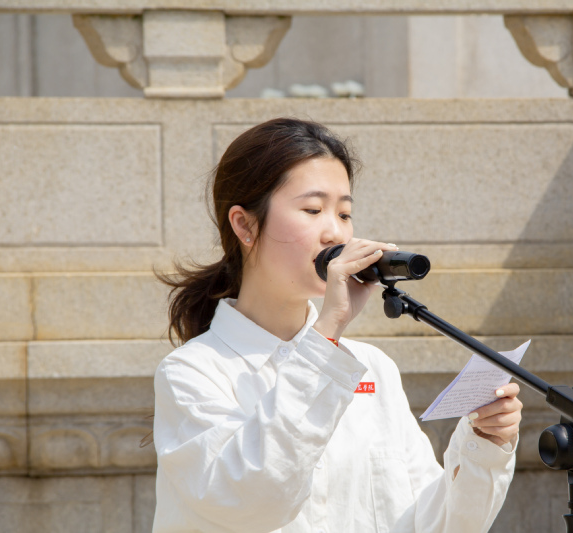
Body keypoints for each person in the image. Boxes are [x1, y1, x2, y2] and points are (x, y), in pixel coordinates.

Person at [151, 117, 523, 532]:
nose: (335, 233)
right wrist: (327, 332)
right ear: (245, 225)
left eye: (344, 213)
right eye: (313, 210)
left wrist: (483, 446)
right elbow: (251, 500)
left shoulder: (372, 368)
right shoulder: (191, 373)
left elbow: (426, 523)